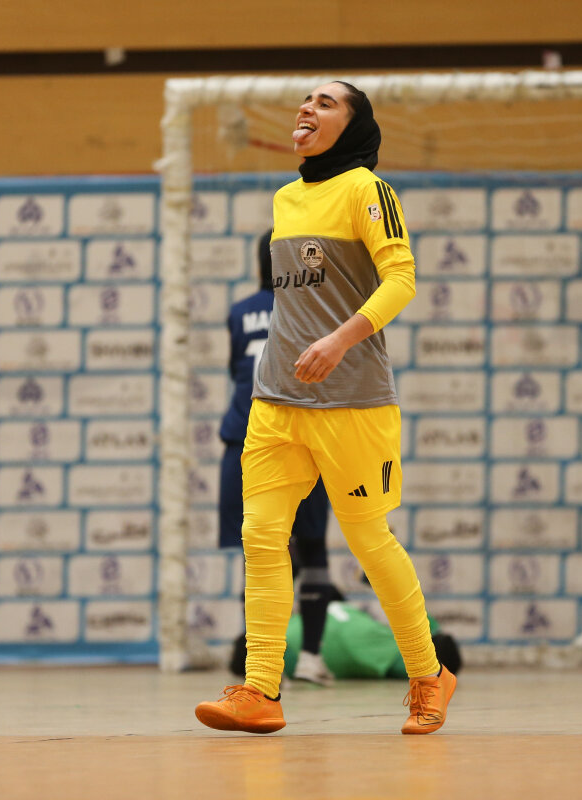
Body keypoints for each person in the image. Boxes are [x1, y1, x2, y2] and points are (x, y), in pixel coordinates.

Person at [195, 80, 456, 735]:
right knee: (262, 539)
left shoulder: (368, 190)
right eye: (306, 100)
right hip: (276, 400)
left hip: (352, 402)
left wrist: (340, 340)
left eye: (326, 102)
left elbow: (402, 278)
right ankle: (261, 689)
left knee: (369, 542)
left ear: (353, 126)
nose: (307, 108)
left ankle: (429, 676)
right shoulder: (286, 199)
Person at [220, 230, 340, 687]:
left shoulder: (238, 313)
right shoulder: (314, 307)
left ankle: (265, 671)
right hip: (299, 437)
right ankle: (309, 658)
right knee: (312, 551)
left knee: (260, 552)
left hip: (245, 440)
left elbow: (236, 368)